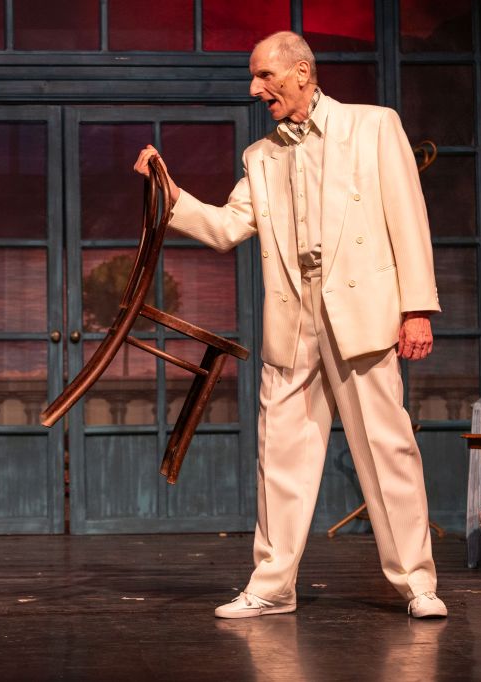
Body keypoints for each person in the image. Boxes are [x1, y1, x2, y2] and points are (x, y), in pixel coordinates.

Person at [133, 31, 446, 619]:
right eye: (254, 78)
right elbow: (227, 227)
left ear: (302, 72)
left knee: (387, 448)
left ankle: (417, 583)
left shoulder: (373, 127)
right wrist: (169, 195)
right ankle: (272, 586)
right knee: (280, 454)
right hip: (293, 312)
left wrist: (416, 309)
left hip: (361, 309)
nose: (256, 89)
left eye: (265, 76)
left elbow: (409, 219)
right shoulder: (262, 156)